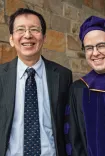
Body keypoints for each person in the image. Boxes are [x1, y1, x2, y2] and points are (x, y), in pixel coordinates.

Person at [0, 8, 72, 156]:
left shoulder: (63, 76)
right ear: (12, 39)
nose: (27, 35)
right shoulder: (1, 75)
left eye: (34, 29)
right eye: (20, 29)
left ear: (44, 38)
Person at [64, 16, 105, 156]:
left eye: (101, 46)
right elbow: (73, 139)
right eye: (89, 48)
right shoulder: (78, 88)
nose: (95, 53)